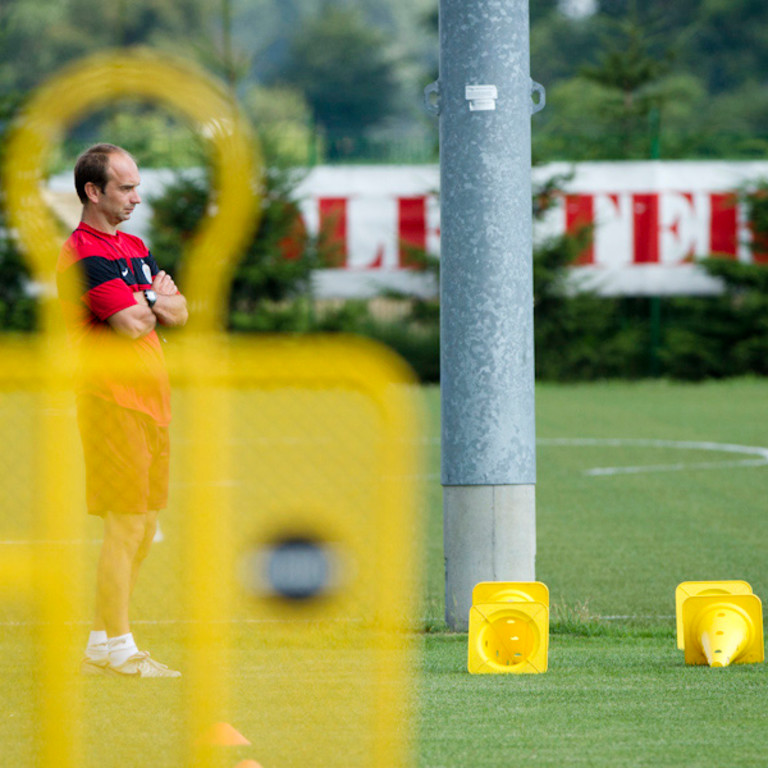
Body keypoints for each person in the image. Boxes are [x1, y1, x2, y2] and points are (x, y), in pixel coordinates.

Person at [57, 144, 188, 678]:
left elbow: (179, 312)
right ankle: (121, 648)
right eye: (126, 187)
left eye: (136, 185)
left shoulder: (134, 245)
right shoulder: (82, 252)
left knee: (144, 524)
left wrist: (149, 300)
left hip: (152, 403)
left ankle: (101, 643)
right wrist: (151, 300)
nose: (137, 196)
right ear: (94, 191)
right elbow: (134, 323)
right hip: (112, 400)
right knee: (126, 527)